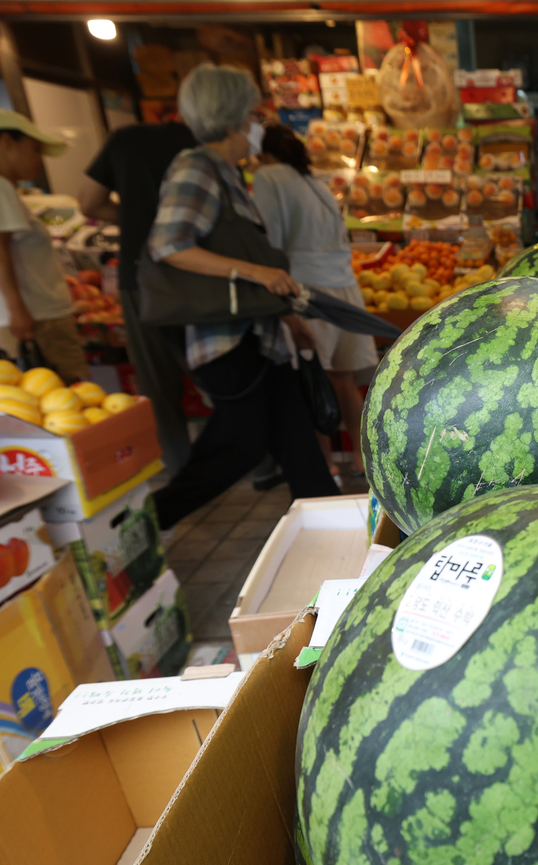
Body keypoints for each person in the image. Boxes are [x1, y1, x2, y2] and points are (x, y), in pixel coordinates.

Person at [146, 63, 338, 530]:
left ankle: (343, 538)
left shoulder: (229, 174)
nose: (258, 125)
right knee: (239, 447)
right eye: (254, 114)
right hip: (228, 344)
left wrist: (284, 316)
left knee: (300, 448)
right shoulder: (197, 167)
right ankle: (146, 523)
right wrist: (258, 272)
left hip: (259, 338)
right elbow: (168, 242)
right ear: (231, 115)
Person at [251, 124, 378, 479]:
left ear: (265, 154)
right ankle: (360, 459)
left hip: (308, 289)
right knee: (344, 379)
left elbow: (269, 239)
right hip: (345, 286)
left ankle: (324, 465)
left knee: (313, 378)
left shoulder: (269, 177)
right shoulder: (318, 184)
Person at [78, 121, 196, 475]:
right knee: (221, 372)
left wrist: (134, 218)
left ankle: (181, 468)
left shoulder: (122, 141)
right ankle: (258, 462)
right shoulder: (194, 139)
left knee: (158, 384)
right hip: (198, 271)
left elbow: (88, 202)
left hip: (140, 273)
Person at [0, 109, 89, 382]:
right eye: (35, 149)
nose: (39, 160)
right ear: (7, 142)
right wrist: (17, 310)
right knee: (72, 401)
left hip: (29, 316)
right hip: (38, 321)